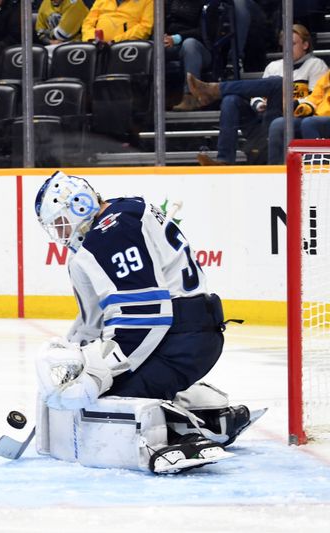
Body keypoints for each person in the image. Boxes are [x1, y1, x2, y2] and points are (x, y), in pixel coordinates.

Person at [33, 172, 257, 473]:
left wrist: (103, 371)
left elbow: (149, 315)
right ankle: (215, 416)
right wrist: (76, 363)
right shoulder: (118, 216)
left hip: (180, 340)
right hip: (189, 332)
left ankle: (183, 436)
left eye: (60, 222)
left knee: (110, 401)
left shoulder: (112, 231)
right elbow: (94, 320)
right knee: (104, 390)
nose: (59, 233)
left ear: (79, 204)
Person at [189, 24, 327, 165]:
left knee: (278, 83)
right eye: (284, 44)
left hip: (288, 118)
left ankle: (215, 90)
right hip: (263, 119)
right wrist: (259, 103)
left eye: (292, 44)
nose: (287, 48)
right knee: (231, 100)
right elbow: (257, 94)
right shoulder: (273, 66)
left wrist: (287, 99)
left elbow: (315, 99)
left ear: (305, 45)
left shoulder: (316, 65)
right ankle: (224, 160)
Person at [268, 69, 330, 164]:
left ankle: (317, 167)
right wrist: (304, 108)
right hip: (317, 117)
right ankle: (275, 170)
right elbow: (314, 98)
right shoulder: (327, 76)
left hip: (320, 119)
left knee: (309, 123)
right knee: (278, 124)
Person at [165, 0, 213, 112]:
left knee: (189, 44)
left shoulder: (207, 4)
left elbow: (206, 32)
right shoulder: (167, 3)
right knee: (151, 48)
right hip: (171, 44)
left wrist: (177, 38)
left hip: (200, 49)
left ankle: (191, 96)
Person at [80, 0, 154, 43]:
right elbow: (88, 23)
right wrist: (91, 39)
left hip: (126, 48)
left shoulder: (148, 1)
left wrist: (116, 41)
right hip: (96, 46)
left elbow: (145, 27)